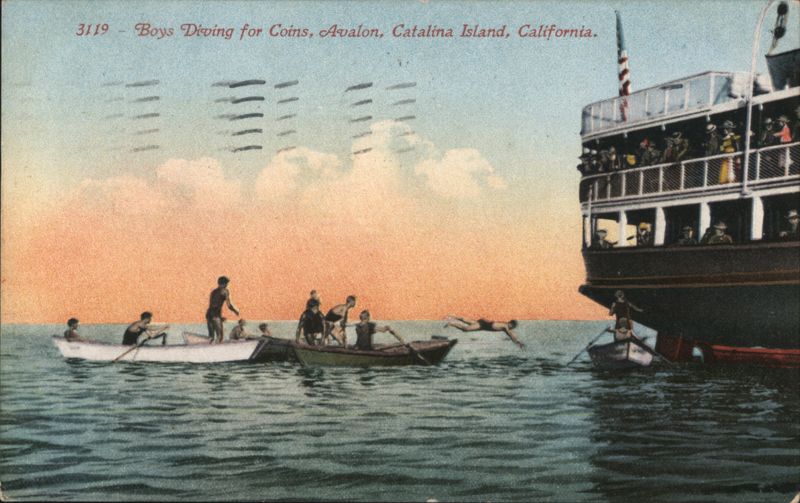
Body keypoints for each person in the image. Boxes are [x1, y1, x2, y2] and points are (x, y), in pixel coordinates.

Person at [444, 315, 525, 348]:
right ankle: (452, 323)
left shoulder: (504, 324)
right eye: (513, 327)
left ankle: (453, 316)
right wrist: (517, 342)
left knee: (468, 322)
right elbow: (511, 334)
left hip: (484, 325)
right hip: (484, 324)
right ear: (511, 324)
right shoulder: (505, 326)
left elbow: (511, 334)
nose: (512, 329)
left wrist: (517, 342)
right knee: (465, 329)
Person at [206, 276, 239, 344]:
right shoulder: (225, 291)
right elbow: (229, 305)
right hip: (215, 314)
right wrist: (235, 311)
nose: (227, 285)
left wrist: (220, 317)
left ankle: (208, 348)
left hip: (209, 314)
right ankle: (217, 350)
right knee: (220, 336)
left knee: (211, 336)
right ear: (224, 284)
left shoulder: (213, 291)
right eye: (226, 283)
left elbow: (212, 304)